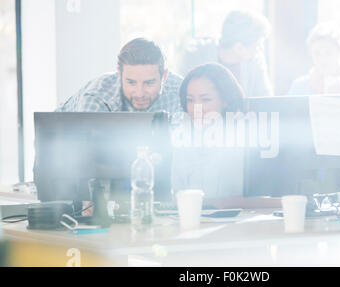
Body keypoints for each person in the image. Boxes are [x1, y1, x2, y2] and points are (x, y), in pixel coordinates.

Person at [171, 63, 280, 209]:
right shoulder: (182, 140)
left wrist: (229, 203)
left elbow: (277, 198)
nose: (197, 108)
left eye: (206, 99)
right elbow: (176, 197)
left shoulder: (249, 136)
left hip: (244, 226)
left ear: (225, 100)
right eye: (190, 100)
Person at [57, 38, 183, 115]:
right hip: (60, 143)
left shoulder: (181, 91)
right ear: (119, 74)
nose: (139, 93)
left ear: (164, 77)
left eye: (149, 83)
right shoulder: (97, 98)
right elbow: (85, 153)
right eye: (131, 82)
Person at [177, 10, 273, 99]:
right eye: (257, 46)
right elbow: (182, 99)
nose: (260, 50)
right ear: (239, 48)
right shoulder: (195, 56)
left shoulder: (255, 60)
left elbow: (266, 99)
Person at [288, 22, 340, 116]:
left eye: (328, 53)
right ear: (311, 54)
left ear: (339, 52)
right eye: (317, 53)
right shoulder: (299, 88)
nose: (323, 59)